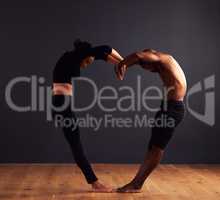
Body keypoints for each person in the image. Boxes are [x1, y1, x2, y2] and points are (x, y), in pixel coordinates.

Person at [51, 39, 123, 192]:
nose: (88, 64)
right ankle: (95, 183)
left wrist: (121, 64)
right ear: (84, 54)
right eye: (88, 61)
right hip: (62, 107)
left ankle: (94, 182)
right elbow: (106, 48)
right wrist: (123, 62)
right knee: (76, 146)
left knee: (75, 145)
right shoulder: (73, 57)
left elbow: (102, 55)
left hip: (62, 106)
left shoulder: (77, 57)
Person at [115, 49, 187, 192]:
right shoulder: (166, 62)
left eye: (144, 67)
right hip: (168, 107)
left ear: (148, 61)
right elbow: (140, 56)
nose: (148, 71)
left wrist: (122, 64)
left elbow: (137, 55)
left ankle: (136, 184)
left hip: (173, 109)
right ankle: (136, 182)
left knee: (156, 148)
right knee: (153, 146)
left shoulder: (161, 58)